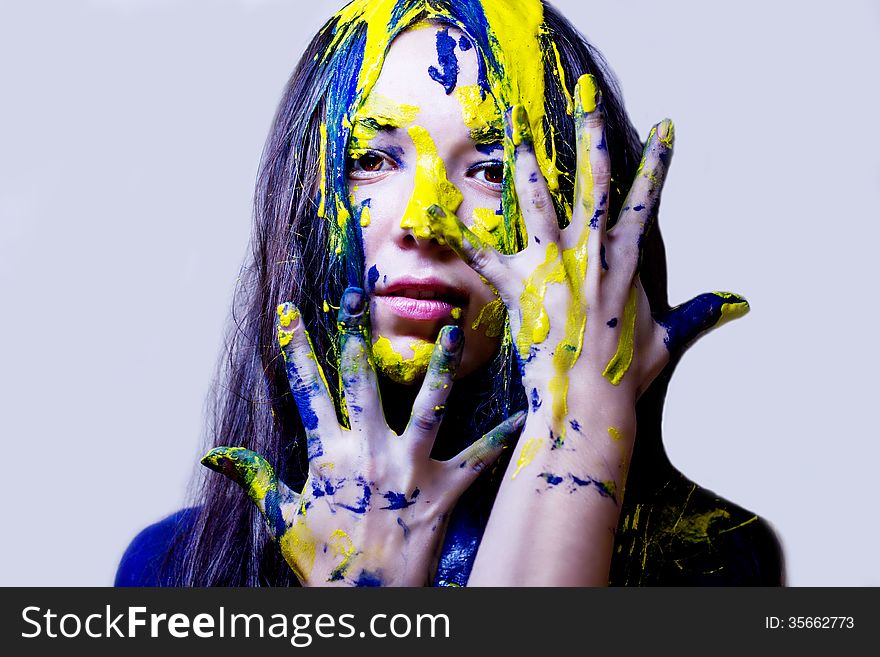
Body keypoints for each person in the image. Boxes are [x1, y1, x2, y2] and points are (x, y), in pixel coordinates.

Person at [116, 0, 784, 587]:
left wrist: (579, 420)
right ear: (298, 204)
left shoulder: (718, 561)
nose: (423, 221)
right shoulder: (173, 570)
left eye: (493, 170)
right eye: (372, 160)